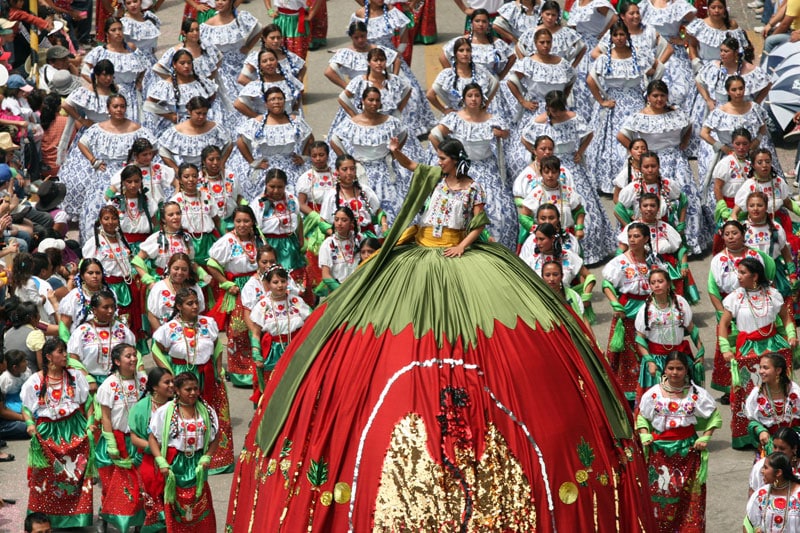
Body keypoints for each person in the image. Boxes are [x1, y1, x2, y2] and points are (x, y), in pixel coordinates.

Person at [224, 119, 655, 531]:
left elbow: (480, 224)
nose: (437, 161)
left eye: (442, 156)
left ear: (453, 159)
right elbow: (414, 168)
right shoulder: (432, 178)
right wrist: (397, 153)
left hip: (459, 254)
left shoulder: (473, 189)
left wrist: (461, 246)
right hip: (422, 250)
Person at [151, 288, 234, 474]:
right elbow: (156, 350)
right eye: (190, 303)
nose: (195, 306)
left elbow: (217, 345)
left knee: (212, 412)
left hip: (207, 374)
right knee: (185, 414)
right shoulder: (169, 329)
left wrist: (219, 369)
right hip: (182, 373)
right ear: (179, 306)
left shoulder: (208, 323)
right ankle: (186, 458)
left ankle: (216, 460)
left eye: (196, 302)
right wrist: (170, 376)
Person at [636, 352, 721, 532]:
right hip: (659, 453)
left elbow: (715, 417)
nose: (675, 372)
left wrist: (705, 437)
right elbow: (642, 418)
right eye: (671, 368)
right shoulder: (653, 395)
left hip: (688, 451)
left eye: (679, 368)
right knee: (659, 496)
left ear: (686, 370)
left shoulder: (696, 394)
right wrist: (644, 434)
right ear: (664, 369)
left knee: (689, 499)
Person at [718, 257, 796, 448]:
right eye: (739, 272)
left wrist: (792, 335)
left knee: (779, 388)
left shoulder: (772, 294)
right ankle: (750, 436)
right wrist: (725, 348)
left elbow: (786, 318)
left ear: (755, 276)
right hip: (748, 350)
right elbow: (723, 324)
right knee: (747, 393)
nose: (739, 276)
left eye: (743, 273)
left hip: (774, 346)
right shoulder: (735, 297)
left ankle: (781, 432)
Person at [60, 94, 156, 242]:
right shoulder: (98, 128)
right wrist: (93, 160)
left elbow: (153, 147)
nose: (119, 110)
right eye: (115, 106)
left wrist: (139, 163)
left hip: (128, 175)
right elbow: (82, 143)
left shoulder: (136, 128)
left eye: (122, 106)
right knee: (97, 210)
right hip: (104, 175)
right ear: (108, 109)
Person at [428, 84, 514, 248]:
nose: (473, 99)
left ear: (482, 98)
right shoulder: (454, 118)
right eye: (470, 95)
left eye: (477, 95)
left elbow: (507, 134)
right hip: (462, 169)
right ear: (464, 99)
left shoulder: (493, 119)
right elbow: (434, 135)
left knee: (499, 212)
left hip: (487, 168)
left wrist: (500, 134)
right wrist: (448, 156)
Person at [20, 338, 93, 528]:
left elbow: (89, 402)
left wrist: (90, 424)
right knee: (45, 476)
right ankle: (44, 520)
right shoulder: (35, 381)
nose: (65, 355)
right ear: (48, 356)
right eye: (60, 351)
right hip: (48, 432)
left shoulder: (76, 376)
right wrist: (30, 424)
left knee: (75, 475)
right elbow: (26, 408)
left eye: (65, 351)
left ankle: (76, 518)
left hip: (74, 428)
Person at [585, 20, 656, 195]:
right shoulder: (604, 59)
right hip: (613, 106)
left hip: (635, 105)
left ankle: (643, 180)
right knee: (609, 148)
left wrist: (649, 97)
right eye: (615, 35)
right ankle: (612, 186)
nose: (619, 38)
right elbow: (590, 80)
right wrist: (601, 101)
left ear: (627, 36)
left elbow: (655, 71)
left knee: (639, 143)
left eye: (622, 34)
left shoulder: (638, 56)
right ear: (611, 37)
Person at [148, 371, 219, 530]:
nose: (193, 393)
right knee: (176, 508)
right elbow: (152, 438)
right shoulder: (165, 411)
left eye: (195, 388)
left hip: (197, 463)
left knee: (200, 505)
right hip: (175, 463)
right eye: (188, 389)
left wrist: (207, 456)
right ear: (177, 391)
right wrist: (161, 461)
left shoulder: (206, 411)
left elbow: (216, 437)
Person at [707, 221, 768, 401]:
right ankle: (730, 388)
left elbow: (765, 280)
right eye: (727, 234)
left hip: (752, 306)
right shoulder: (718, 259)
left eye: (735, 233)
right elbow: (712, 288)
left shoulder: (755, 255)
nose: (731, 237)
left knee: (754, 347)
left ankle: (756, 385)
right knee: (729, 349)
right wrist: (722, 313)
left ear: (743, 234)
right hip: (728, 308)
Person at [330, 86, 410, 222]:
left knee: (391, 201)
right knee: (364, 203)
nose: (374, 103)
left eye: (377, 100)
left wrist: (394, 153)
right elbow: (334, 140)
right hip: (362, 170)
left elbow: (403, 133)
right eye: (370, 100)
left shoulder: (389, 121)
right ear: (363, 101)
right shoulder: (353, 123)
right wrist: (350, 161)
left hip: (385, 168)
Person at [206, 206, 262, 387]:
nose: (242, 225)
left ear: (252, 221)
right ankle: (239, 372)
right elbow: (211, 264)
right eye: (238, 221)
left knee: (259, 325)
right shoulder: (228, 241)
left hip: (257, 286)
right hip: (237, 288)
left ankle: (258, 367)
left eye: (246, 221)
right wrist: (225, 282)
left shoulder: (258, 239)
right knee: (238, 330)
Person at [95, 343, 147, 532]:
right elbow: (106, 417)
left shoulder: (143, 380)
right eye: (128, 356)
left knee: (140, 484)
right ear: (117, 361)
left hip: (138, 440)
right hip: (117, 439)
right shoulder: (109, 385)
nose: (133, 359)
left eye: (134, 355)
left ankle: (139, 522)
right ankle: (105, 516)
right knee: (113, 485)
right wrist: (111, 443)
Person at [229, 86, 313, 201]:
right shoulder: (257, 122)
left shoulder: (295, 120)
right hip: (267, 167)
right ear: (266, 104)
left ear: (284, 101)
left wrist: (304, 157)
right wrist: (252, 162)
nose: (276, 102)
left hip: (291, 166)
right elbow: (241, 141)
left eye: (280, 99)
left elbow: (310, 138)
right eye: (272, 99)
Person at [603, 222, 653, 403]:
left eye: (637, 236)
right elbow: (606, 284)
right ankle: (627, 394)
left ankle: (649, 388)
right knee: (627, 354)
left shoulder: (654, 261)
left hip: (649, 311)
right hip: (628, 312)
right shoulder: (620, 262)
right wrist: (615, 304)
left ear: (646, 239)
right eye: (630, 236)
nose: (632, 240)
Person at [635, 268, 703, 398]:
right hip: (657, 360)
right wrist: (650, 361)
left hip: (679, 358)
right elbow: (640, 338)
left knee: (684, 396)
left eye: (660, 281)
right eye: (653, 282)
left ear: (669, 283)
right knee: (658, 398)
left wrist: (700, 349)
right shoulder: (646, 309)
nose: (657, 285)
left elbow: (691, 328)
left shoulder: (680, 302)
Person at [249, 265, 312, 398]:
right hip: (273, 351)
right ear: (268, 284)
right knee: (274, 388)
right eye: (275, 282)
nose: (280, 285)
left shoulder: (296, 302)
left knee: (297, 386)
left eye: (283, 281)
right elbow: (255, 333)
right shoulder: (263, 306)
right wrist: (256, 353)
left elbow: (311, 323)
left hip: (296, 347)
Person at [128, 367, 174, 532]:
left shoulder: (176, 405)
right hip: (148, 461)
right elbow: (134, 438)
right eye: (166, 382)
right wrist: (155, 449)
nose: (171, 385)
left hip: (174, 460)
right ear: (155, 387)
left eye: (172, 381)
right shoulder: (141, 408)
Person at [67, 289, 137, 392]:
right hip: (91, 385)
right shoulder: (81, 332)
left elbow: (134, 353)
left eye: (113, 307)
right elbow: (73, 360)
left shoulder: (123, 330)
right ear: (94, 310)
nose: (110, 311)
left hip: (120, 382)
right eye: (105, 307)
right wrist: (88, 379)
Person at [82, 18, 150, 122]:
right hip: (110, 94)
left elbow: (144, 65)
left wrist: (139, 81)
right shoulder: (100, 51)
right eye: (113, 30)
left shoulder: (131, 48)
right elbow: (85, 71)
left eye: (120, 29)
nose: (118, 33)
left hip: (132, 95)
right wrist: (100, 86)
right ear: (107, 33)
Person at [200, 0, 262, 100]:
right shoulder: (208, 25)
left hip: (242, 65)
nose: (219, 2)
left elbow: (258, 28)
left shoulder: (241, 17)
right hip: (222, 71)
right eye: (217, 0)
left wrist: (247, 47)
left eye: (224, 0)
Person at [158, 96, 231, 172]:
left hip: (212, 171)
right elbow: (163, 150)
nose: (201, 117)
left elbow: (229, 143)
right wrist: (176, 170)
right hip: (190, 173)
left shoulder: (215, 128)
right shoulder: (178, 130)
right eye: (198, 113)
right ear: (189, 111)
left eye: (204, 114)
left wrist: (221, 162)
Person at [746, 353, 800, 452]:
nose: (761, 371)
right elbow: (752, 421)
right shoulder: (756, 394)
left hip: (795, 437)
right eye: (760, 367)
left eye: (765, 368)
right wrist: (761, 431)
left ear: (778, 370)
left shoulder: (794, 390)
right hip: (772, 441)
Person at [146, 252, 205, 328]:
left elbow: (200, 312)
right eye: (176, 268)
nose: (180, 272)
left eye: (184, 269)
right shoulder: (159, 288)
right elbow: (152, 316)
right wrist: (162, 336)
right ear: (170, 268)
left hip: (191, 334)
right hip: (167, 335)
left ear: (188, 271)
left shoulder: (194, 288)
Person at [745, 452, 800, 531]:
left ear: (778, 472)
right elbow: (748, 523)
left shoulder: (797, 495)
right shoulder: (761, 495)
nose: (762, 471)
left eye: (765, 468)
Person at [154, 18, 222, 81]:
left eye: (197, 30)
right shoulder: (177, 51)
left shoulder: (206, 46)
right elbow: (158, 68)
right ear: (184, 33)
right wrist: (173, 81)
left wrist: (213, 75)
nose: (195, 33)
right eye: (191, 31)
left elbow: (219, 57)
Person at [317, 206, 361, 295]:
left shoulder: (359, 239)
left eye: (344, 220)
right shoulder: (328, 244)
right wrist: (341, 291)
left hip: (358, 288)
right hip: (337, 291)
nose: (339, 223)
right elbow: (326, 275)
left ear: (351, 222)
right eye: (336, 220)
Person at [58, 258, 110, 333]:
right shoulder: (74, 296)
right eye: (90, 273)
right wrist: (66, 343)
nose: (95, 276)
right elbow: (64, 327)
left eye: (98, 273)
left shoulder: (110, 293)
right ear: (82, 276)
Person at [748, 427, 800, 496]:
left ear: (794, 448)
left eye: (782, 448)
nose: (777, 452)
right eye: (775, 447)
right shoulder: (761, 466)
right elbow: (753, 494)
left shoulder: (798, 467)